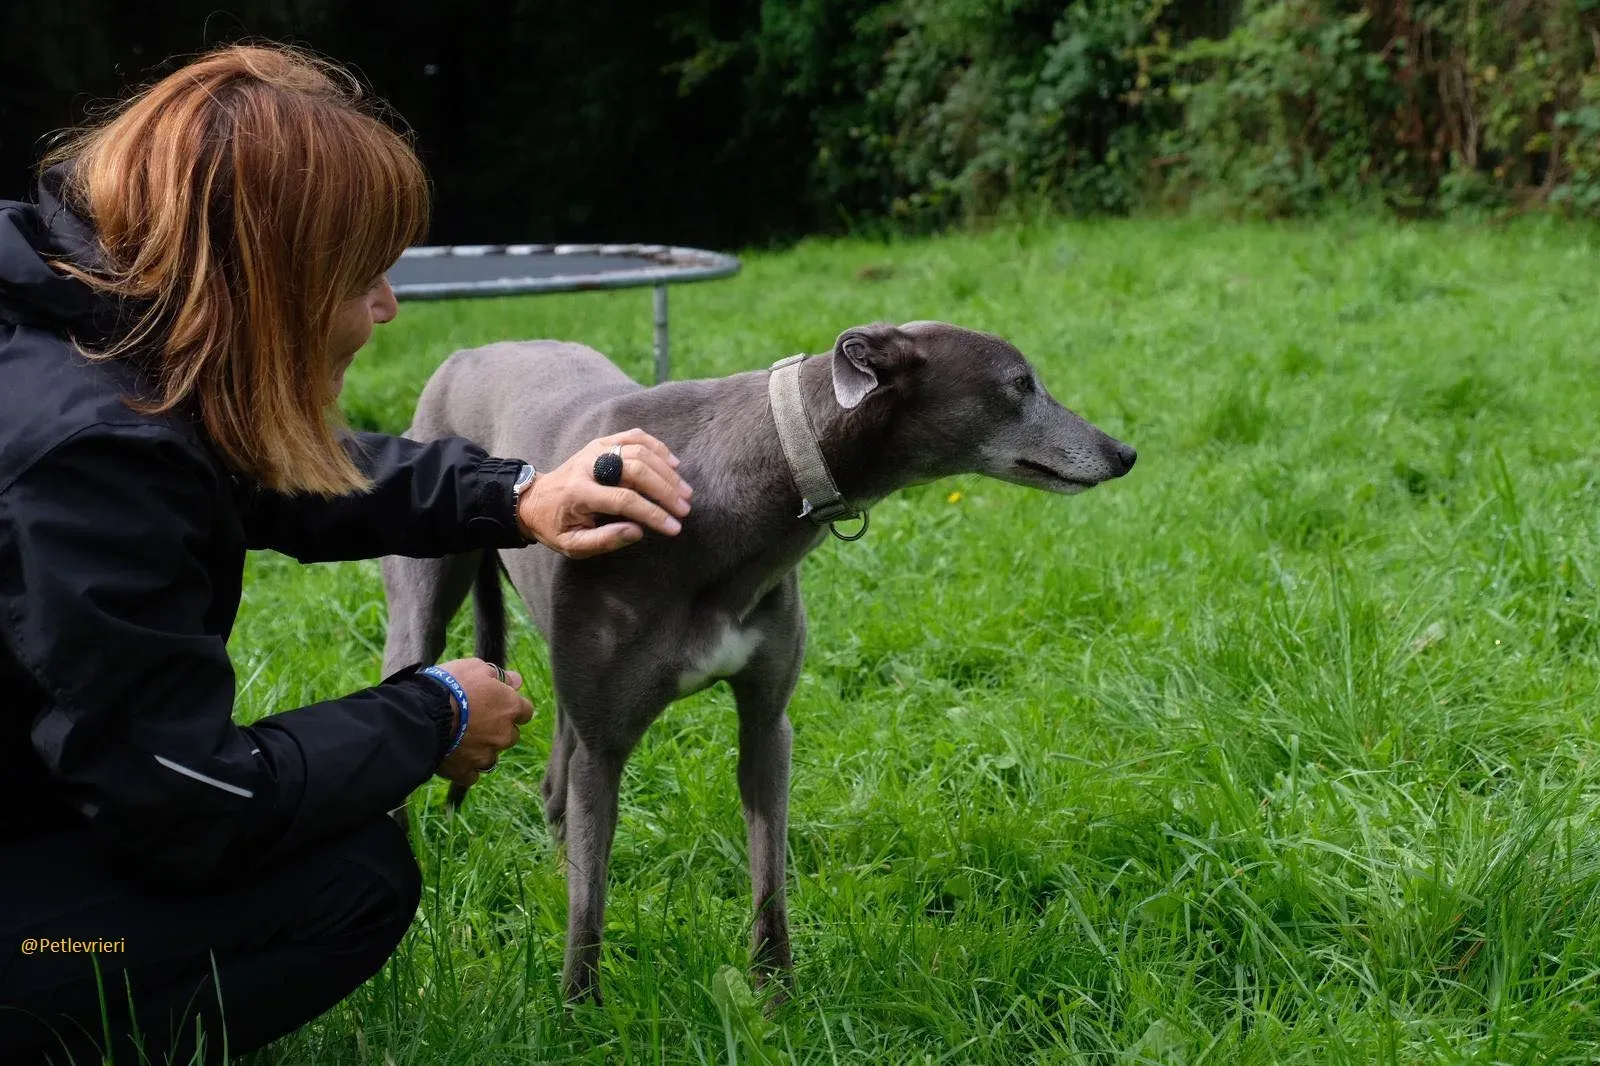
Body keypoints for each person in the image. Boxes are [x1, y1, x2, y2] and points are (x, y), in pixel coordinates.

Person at [0, 43, 693, 1063]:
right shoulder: (89, 459)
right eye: (359, 277)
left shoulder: (71, 316)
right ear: (263, 285)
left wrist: (514, 492)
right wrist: (430, 714)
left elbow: (244, 468)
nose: (387, 306)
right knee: (348, 882)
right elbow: (187, 803)